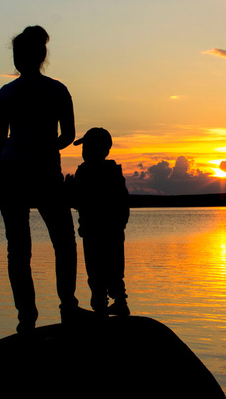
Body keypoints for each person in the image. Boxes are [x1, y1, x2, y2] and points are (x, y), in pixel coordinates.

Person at [0, 25, 86, 333]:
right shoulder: (57, 90)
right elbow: (69, 136)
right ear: (42, 56)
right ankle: (68, 307)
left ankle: (26, 318)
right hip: (44, 171)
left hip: (11, 171)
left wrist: (0, 169)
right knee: (64, 242)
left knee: (18, 249)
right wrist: (47, 145)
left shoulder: (5, 93)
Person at [67, 127, 130, 317]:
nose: (83, 151)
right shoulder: (114, 172)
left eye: (86, 147)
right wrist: (119, 226)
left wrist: (68, 189)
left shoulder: (84, 172)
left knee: (96, 275)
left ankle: (102, 309)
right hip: (114, 233)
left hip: (94, 233)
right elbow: (123, 204)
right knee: (114, 273)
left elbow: (78, 202)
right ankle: (119, 304)